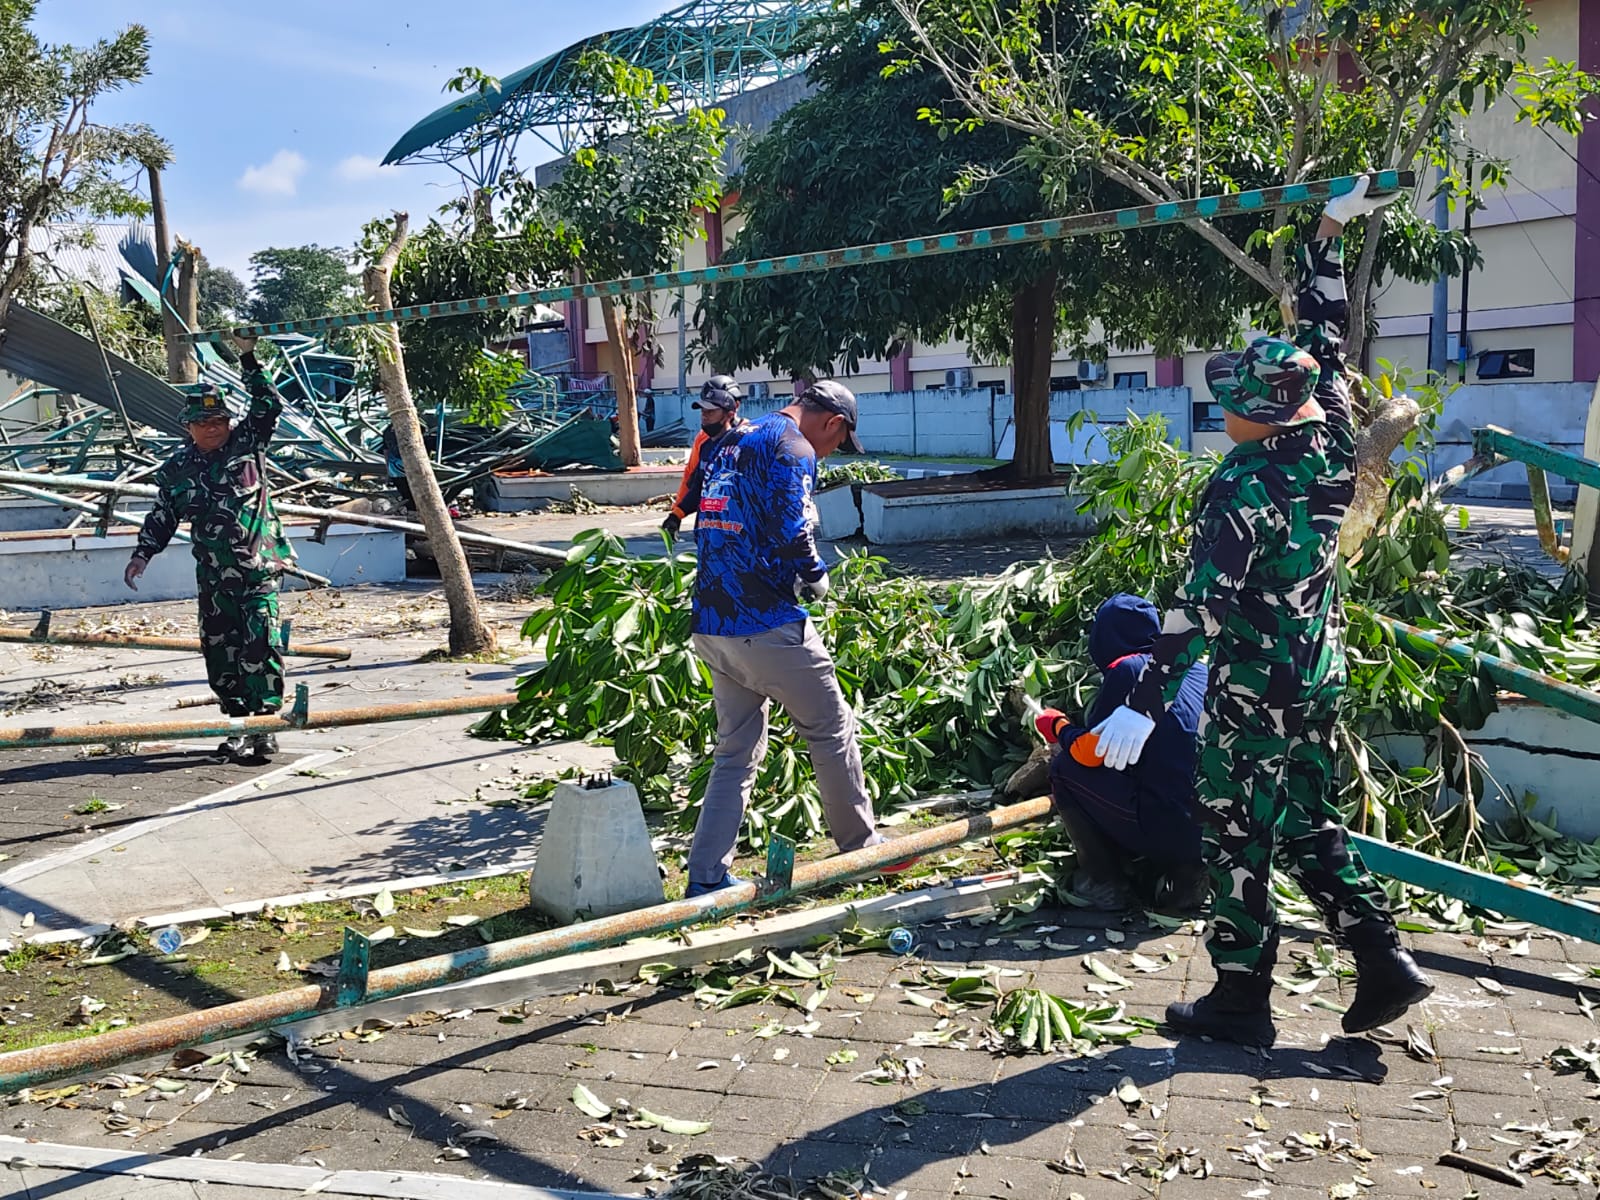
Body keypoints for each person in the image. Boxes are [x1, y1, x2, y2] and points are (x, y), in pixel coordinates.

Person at [1088, 176, 1433, 1046]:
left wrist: (1142, 700)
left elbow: (1198, 608)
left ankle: (1241, 998)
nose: (1222, 413)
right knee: (1310, 818)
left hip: (1254, 689)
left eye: (1231, 403)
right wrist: (1329, 232)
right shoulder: (1327, 437)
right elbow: (1323, 334)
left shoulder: (1244, 487)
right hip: (1316, 672)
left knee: (1237, 832)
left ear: (1257, 416)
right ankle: (1384, 958)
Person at [685, 380, 911, 896]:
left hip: (712, 622)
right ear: (833, 422)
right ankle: (861, 850)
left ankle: (705, 877)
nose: (830, 453)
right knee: (831, 727)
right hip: (765, 623)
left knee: (735, 751)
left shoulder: (735, 438)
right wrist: (815, 573)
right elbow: (793, 530)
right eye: (838, 442)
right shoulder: (794, 447)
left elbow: (706, 516)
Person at [125, 336, 295, 762]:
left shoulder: (248, 444)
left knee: (261, 645)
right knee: (221, 653)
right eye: (203, 423)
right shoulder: (177, 470)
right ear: (189, 427)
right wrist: (142, 554)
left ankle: (265, 727)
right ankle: (236, 726)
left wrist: (248, 357)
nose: (213, 428)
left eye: (219, 420)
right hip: (215, 578)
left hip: (259, 571)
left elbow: (269, 404)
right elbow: (163, 515)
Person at [1033, 594, 1208, 913]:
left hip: (1170, 826)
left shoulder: (1129, 669)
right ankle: (1184, 874)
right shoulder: (1197, 669)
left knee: (1065, 768)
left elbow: (1090, 753)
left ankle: (1104, 882)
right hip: (1219, 829)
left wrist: (1057, 725)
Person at [662, 375, 748, 544]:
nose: (704, 416)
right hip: (708, 533)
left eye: (711, 411)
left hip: (739, 536)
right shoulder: (705, 443)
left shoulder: (750, 440)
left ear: (732, 410)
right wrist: (676, 514)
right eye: (703, 410)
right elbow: (696, 482)